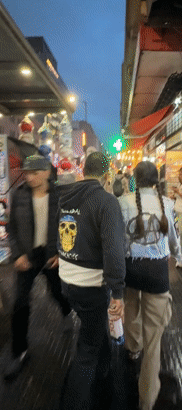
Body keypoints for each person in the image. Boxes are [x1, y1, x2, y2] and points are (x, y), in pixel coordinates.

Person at [58, 152, 126, 410]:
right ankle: (74, 403)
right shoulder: (106, 202)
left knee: (93, 329)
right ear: (106, 175)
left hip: (67, 280)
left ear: (83, 170)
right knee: (86, 350)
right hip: (91, 285)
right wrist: (118, 291)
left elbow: (60, 229)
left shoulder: (65, 196)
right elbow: (113, 250)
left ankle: (105, 369)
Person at [118, 161, 182, 410]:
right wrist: (177, 255)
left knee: (132, 307)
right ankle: (146, 399)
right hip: (157, 273)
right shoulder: (167, 204)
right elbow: (174, 239)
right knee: (154, 338)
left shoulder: (122, 202)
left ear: (134, 179)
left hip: (131, 268)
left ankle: (132, 347)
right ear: (157, 181)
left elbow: (120, 238)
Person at [5, 155, 72, 380]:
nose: (29, 177)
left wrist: (63, 253)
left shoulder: (61, 195)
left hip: (51, 254)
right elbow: (12, 229)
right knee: (20, 302)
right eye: (27, 173)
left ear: (46, 172)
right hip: (27, 256)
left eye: (34, 172)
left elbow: (69, 225)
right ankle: (20, 352)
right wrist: (18, 254)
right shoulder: (19, 194)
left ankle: (66, 310)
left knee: (57, 291)